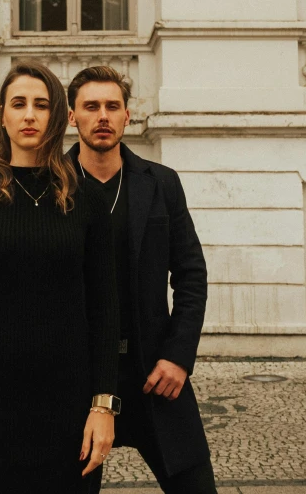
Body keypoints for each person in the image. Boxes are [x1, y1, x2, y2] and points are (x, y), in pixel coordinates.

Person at [0, 61, 120, 494]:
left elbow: (106, 311)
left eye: (42, 105)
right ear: (3, 113)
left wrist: (104, 406)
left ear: (58, 116)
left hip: (69, 406)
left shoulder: (87, 199)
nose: (30, 115)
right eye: (19, 104)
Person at [66, 65, 218, 494]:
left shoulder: (161, 183)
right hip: (79, 375)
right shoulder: (50, 187)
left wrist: (179, 355)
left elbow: (191, 274)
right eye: (91, 106)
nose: (103, 116)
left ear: (127, 116)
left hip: (154, 371)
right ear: (72, 117)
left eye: (112, 106)